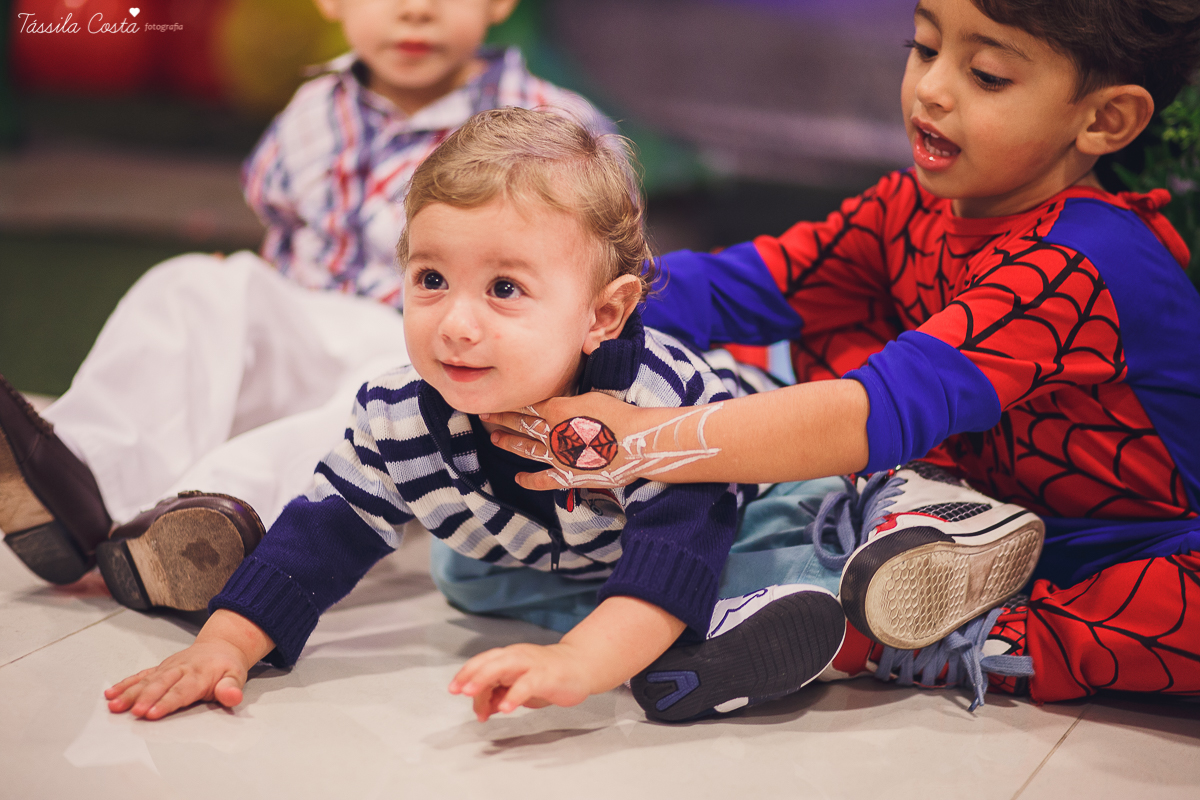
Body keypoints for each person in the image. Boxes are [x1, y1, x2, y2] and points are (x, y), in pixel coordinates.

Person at [483, 0, 1200, 710]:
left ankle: (923, 636)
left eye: (985, 75)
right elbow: (729, 288)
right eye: (923, 48)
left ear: (1104, 120)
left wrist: (634, 442)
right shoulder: (908, 207)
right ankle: (864, 580)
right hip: (965, 519)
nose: (931, 89)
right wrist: (543, 305)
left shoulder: (1085, 259)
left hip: (1146, 551)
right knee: (495, 560)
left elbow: (864, 415)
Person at [103, 108, 850, 724]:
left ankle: (798, 600)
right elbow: (320, 531)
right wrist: (227, 642)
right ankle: (656, 633)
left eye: (504, 289)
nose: (456, 325)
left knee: (777, 527)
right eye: (431, 279)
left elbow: (677, 545)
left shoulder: (657, 404)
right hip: (561, 550)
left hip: (741, 490)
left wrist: (578, 664)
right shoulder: (396, 414)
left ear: (603, 314)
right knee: (466, 576)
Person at [0, 0, 609, 610]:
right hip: (309, 316)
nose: (416, 11)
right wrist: (250, 295)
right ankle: (79, 479)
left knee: (381, 389)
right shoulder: (314, 110)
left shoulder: (555, 128)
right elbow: (288, 231)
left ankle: (204, 521)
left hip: (427, 342)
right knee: (192, 283)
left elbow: (592, 277)